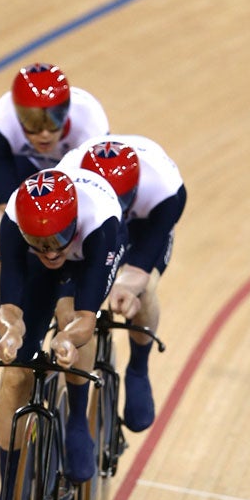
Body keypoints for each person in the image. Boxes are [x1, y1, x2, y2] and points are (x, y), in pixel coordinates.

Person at [0, 167, 121, 500]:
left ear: (73, 224)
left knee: (68, 318)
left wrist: (66, 340)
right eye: (40, 242)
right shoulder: (14, 222)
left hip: (89, 265)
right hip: (37, 274)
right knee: (14, 377)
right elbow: (10, 304)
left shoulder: (100, 225)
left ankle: (77, 421)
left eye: (58, 239)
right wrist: (10, 333)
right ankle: (9, 498)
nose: (50, 250)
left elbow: (86, 319)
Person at [0, 62, 110, 417]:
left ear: (67, 112)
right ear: (17, 116)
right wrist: (9, 240)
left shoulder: (91, 121)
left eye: (52, 124)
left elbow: (92, 195)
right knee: (2, 262)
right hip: (23, 193)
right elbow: (3, 202)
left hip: (72, 194)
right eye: (32, 126)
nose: (44, 136)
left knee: (75, 268)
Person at [75, 134, 186, 432]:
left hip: (142, 226)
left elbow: (138, 270)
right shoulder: (69, 174)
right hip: (93, 223)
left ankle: (139, 367)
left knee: (143, 289)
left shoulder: (166, 191)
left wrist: (125, 286)